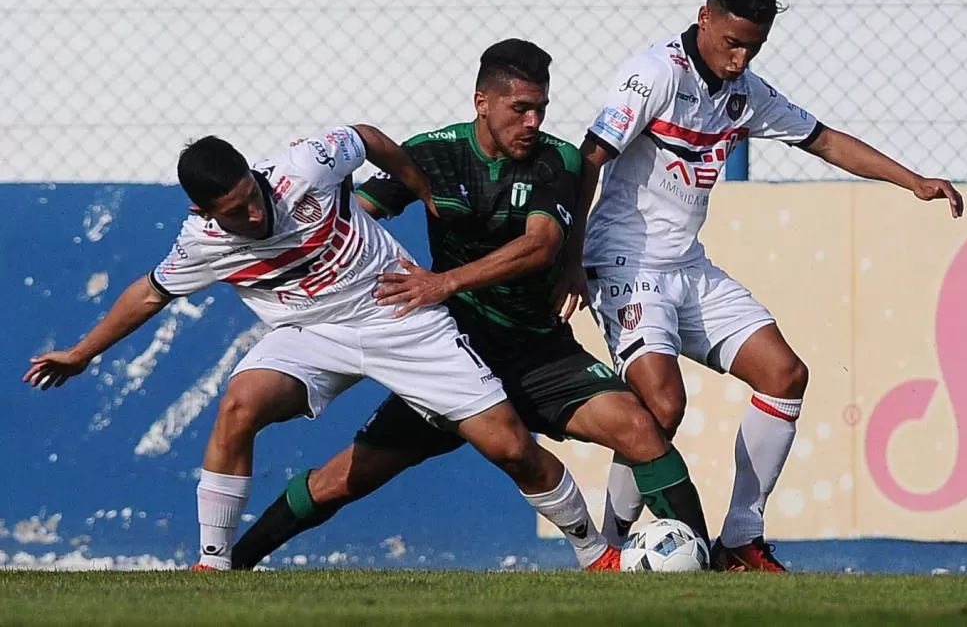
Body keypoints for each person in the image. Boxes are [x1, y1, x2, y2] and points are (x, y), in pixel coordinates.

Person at [23, 123, 612, 572]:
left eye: (252, 193)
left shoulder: (303, 166)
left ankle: (597, 554)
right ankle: (212, 566)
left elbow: (368, 138)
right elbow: (148, 295)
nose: (256, 211)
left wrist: (423, 189)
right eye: (235, 211)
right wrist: (81, 353)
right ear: (202, 212)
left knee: (510, 447)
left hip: (398, 314)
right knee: (239, 405)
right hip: (311, 335)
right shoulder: (200, 242)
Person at [229, 38, 710, 571]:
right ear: (483, 101)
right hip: (450, 358)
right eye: (520, 108)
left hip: (539, 352)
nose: (533, 121)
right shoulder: (434, 154)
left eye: (541, 108)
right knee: (340, 480)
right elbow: (359, 213)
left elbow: (540, 245)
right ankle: (232, 562)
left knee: (641, 429)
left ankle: (701, 566)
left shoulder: (558, 159)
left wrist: (445, 282)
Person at [558, 0, 963, 572]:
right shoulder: (655, 75)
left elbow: (823, 140)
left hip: (688, 266)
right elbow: (589, 158)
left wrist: (913, 181)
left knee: (785, 373)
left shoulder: (745, 93)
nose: (739, 58)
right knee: (661, 406)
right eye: (731, 43)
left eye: (753, 46)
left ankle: (741, 538)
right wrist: (569, 258)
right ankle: (609, 553)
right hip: (624, 262)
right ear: (705, 18)